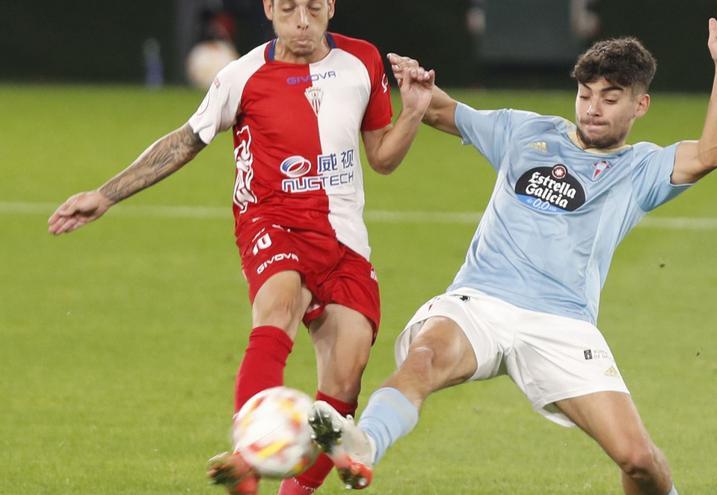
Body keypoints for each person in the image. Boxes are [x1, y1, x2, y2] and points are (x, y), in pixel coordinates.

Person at [307, 1, 717, 493]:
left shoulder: (641, 169)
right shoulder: (525, 132)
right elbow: (441, 111)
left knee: (638, 461)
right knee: (423, 358)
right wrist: (421, 91)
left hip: (562, 323)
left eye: (610, 99)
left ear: (640, 105)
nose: (593, 107)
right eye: (586, 94)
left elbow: (712, 153)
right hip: (480, 302)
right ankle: (366, 445)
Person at [46, 1, 434, 494]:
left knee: (348, 372)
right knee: (281, 301)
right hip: (270, 221)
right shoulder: (241, 75)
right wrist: (106, 193)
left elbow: (381, 157)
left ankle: (292, 489)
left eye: (313, 7)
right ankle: (249, 453)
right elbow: (186, 140)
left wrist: (415, 111)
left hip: (341, 239)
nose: (301, 20)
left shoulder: (363, 62)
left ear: (330, 7)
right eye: (288, 7)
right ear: (269, 8)